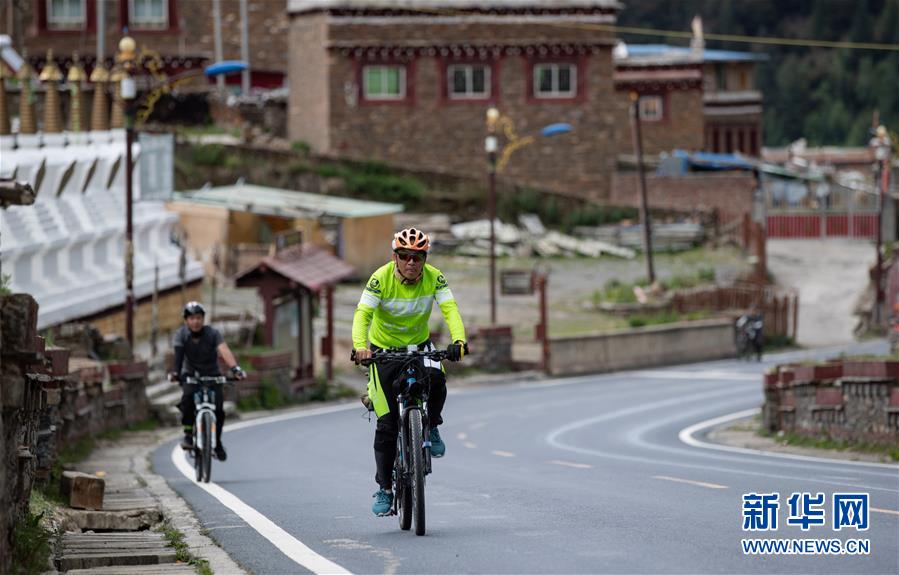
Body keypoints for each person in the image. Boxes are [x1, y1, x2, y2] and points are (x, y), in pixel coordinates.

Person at [352, 227, 468, 516]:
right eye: (405, 256)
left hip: (420, 346)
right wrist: (360, 347)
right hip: (383, 352)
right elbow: (362, 314)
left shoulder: (435, 277)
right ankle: (385, 489)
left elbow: (450, 309)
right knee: (387, 424)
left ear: (425, 259)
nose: (411, 262)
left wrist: (459, 341)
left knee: (439, 378)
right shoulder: (380, 279)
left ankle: (432, 426)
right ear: (395, 257)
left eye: (418, 257)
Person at [171, 301, 246, 460]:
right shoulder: (181, 335)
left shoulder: (213, 333)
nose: (195, 321)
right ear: (186, 320)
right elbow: (178, 356)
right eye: (191, 318)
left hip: (213, 374)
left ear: (203, 319)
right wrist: (176, 373)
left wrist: (235, 368)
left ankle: (217, 443)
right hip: (190, 375)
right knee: (187, 400)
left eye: (198, 318)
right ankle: (188, 435)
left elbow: (224, 350)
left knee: (219, 410)